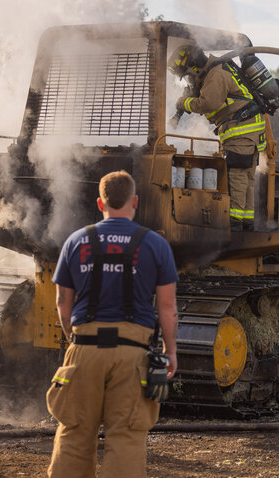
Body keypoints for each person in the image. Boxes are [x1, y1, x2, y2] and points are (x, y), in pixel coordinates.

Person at [47, 170, 179, 478]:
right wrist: (170, 351)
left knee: (75, 433)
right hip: (133, 355)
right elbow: (167, 307)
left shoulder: (76, 241)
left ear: (100, 202)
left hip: (84, 349)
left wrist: (75, 341)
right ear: (135, 202)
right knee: (127, 437)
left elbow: (62, 303)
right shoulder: (156, 245)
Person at [168, 43, 266, 232]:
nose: (188, 80)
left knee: (237, 177)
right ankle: (247, 222)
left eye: (187, 74)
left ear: (194, 66)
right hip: (250, 132)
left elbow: (208, 104)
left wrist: (183, 102)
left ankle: (236, 225)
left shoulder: (216, 74)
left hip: (241, 132)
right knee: (246, 179)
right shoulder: (216, 71)